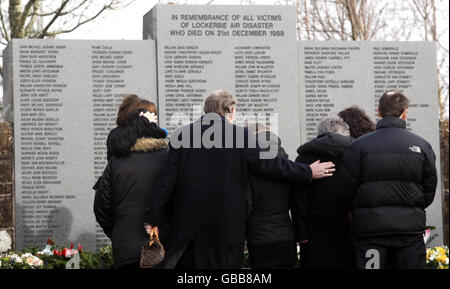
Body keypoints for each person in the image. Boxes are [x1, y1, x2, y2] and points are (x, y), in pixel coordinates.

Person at [143, 90, 336, 269]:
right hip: (227, 224)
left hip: (188, 223)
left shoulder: (182, 135)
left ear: (205, 111)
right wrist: (307, 172)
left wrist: (152, 217)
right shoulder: (240, 135)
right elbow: (270, 165)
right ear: (231, 111)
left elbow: (165, 181)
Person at [343, 91, 438, 269]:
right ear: (405, 113)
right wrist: (410, 207)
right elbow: (429, 188)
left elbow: (346, 188)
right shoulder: (422, 145)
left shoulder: (358, 146)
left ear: (379, 112)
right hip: (409, 232)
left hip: (371, 232)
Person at [93, 96, 170, 269]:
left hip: (125, 249)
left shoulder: (116, 163)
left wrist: (120, 232)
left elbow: (101, 207)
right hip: (162, 248)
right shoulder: (169, 159)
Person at [292, 116, 355, 269]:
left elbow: (298, 198)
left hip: (314, 229)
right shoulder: (354, 155)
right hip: (347, 226)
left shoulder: (303, 158)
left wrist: (301, 234)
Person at [245, 123, 297, 269]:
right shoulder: (289, 167)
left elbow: (246, 205)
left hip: (259, 238)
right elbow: (296, 202)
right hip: (286, 235)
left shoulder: (249, 171)